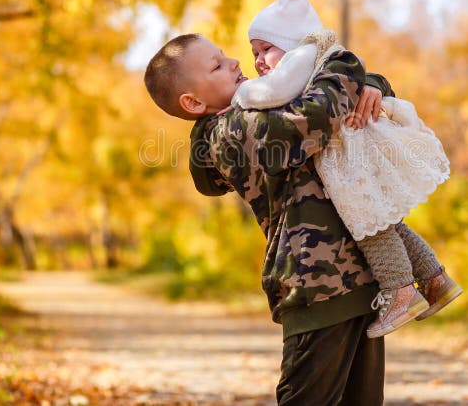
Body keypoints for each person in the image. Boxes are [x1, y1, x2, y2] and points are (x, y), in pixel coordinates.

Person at [144, 32, 385, 404]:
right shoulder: (229, 132)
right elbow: (317, 116)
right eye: (216, 65)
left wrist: (372, 84)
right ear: (193, 102)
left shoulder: (260, 105)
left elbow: (342, 104)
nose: (234, 62)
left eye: (224, 55)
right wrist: (346, 62)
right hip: (316, 288)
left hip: (362, 282)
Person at [233, 0, 462, 338]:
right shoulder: (314, 59)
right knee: (385, 222)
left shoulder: (301, 60)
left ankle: (400, 291)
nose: (259, 61)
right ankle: (434, 279)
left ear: (292, 42)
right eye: (255, 54)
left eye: (266, 50)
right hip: (356, 151)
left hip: (350, 155)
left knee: (367, 222)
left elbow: (275, 94)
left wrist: (242, 94)